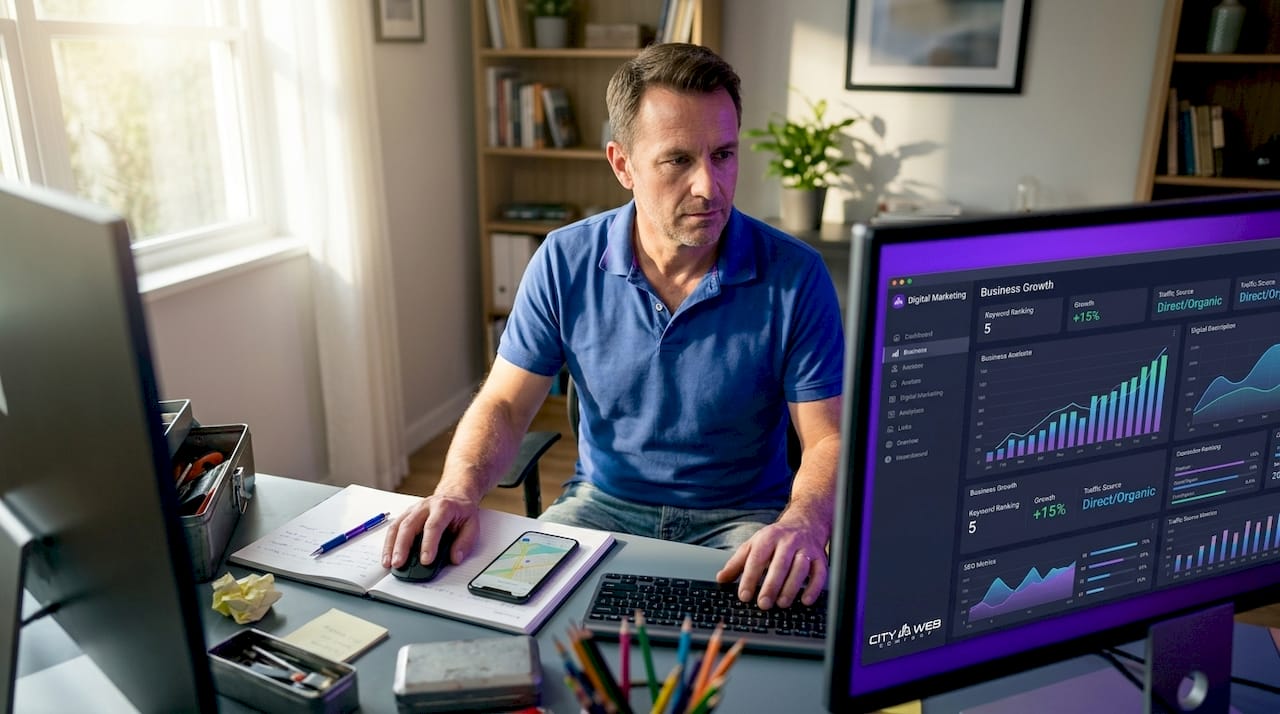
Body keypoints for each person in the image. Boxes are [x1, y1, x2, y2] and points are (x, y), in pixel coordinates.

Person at [384, 43, 843, 611]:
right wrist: (456, 489)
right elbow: (504, 403)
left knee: (762, 648)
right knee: (511, 616)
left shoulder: (797, 275)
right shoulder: (563, 259)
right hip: (600, 506)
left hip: (742, 518)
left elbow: (826, 437)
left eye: (723, 154)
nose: (709, 185)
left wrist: (803, 521)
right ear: (622, 164)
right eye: (678, 160)